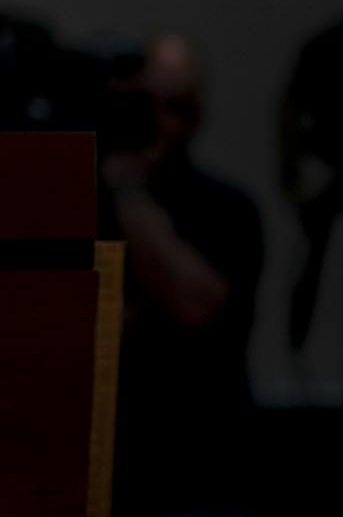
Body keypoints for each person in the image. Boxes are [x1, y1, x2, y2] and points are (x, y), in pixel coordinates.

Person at [98, 34, 263, 516]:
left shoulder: (228, 210)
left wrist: (128, 194)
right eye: (140, 104)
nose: (157, 123)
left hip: (205, 474)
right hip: (114, 470)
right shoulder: (80, 200)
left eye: (175, 106)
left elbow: (197, 305)